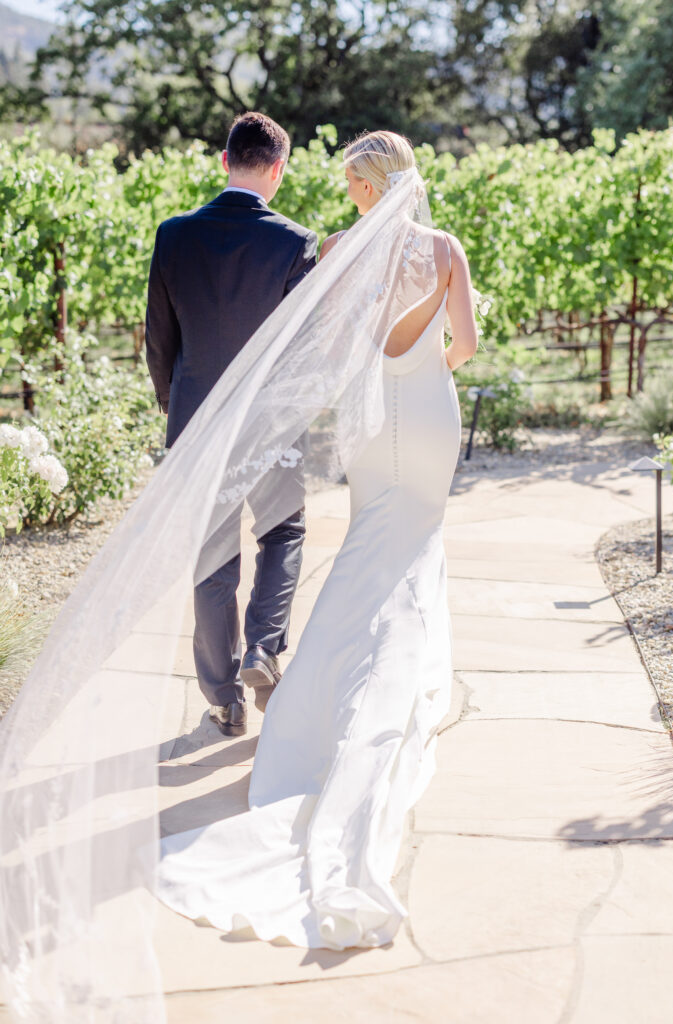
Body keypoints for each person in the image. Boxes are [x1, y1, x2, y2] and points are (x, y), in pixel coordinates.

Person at [155, 130, 478, 950]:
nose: (349, 197)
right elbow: (465, 345)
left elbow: (324, 350)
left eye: (352, 184)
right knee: (413, 544)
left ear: (367, 186)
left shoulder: (337, 249)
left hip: (362, 427)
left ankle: (276, 698)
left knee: (367, 544)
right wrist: (427, 368)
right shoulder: (444, 248)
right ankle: (394, 673)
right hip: (431, 414)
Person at [145, 111, 318, 738]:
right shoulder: (296, 242)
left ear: (225, 161)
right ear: (278, 168)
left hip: (198, 424)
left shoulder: (173, 235)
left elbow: (158, 340)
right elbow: (304, 350)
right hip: (272, 426)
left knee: (212, 557)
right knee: (285, 533)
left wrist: (174, 404)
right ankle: (264, 650)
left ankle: (223, 699)